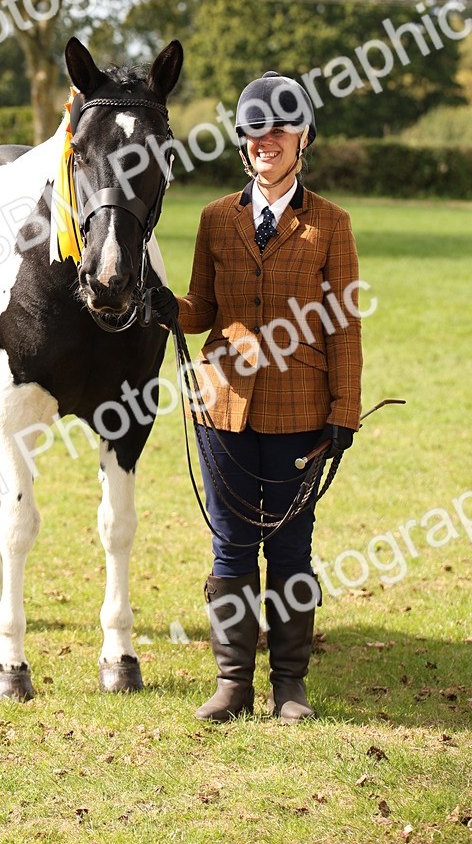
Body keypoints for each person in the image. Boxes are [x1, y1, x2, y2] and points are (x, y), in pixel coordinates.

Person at [150, 71, 363, 723]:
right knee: (232, 546)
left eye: (279, 129)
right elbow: (202, 309)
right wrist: (163, 303)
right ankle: (233, 682)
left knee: (291, 548)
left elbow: (345, 327)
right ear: (242, 143)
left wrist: (344, 413)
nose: (266, 140)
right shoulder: (217, 219)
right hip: (223, 410)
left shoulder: (331, 224)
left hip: (300, 412)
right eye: (254, 131)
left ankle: (290, 686)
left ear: (303, 139)